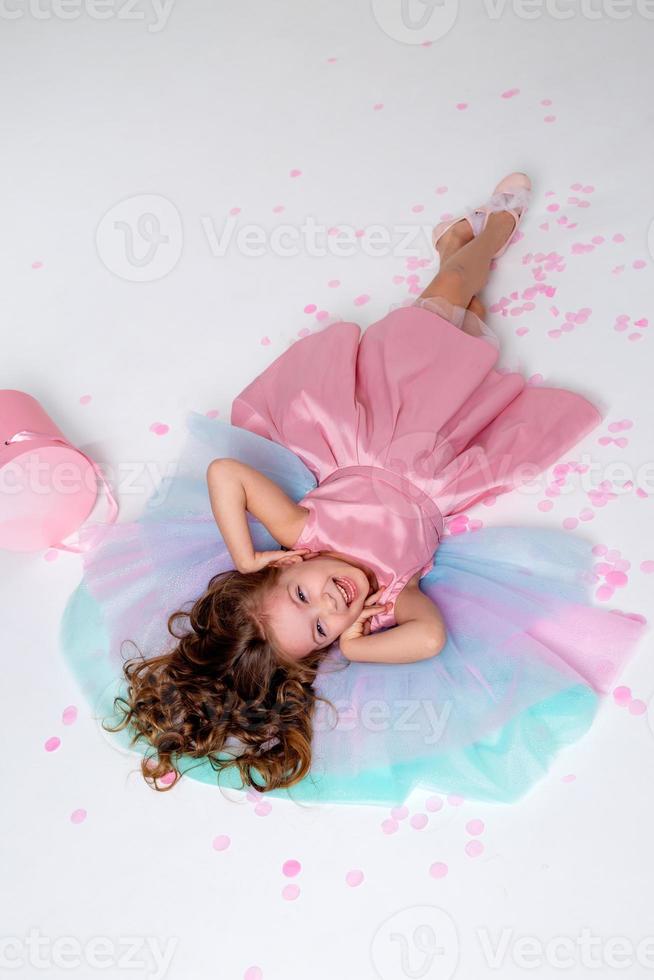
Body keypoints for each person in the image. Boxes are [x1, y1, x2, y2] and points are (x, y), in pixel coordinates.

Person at [60, 173, 648, 807]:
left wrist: (248, 555)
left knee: (446, 303)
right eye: (320, 627)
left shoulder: (302, 535)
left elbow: (224, 475)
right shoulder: (393, 596)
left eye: (302, 593)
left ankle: (487, 237)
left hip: (386, 421)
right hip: (446, 460)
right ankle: (457, 259)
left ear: (286, 568)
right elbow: (430, 639)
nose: (330, 600)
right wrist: (358, 642)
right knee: (472, 331)